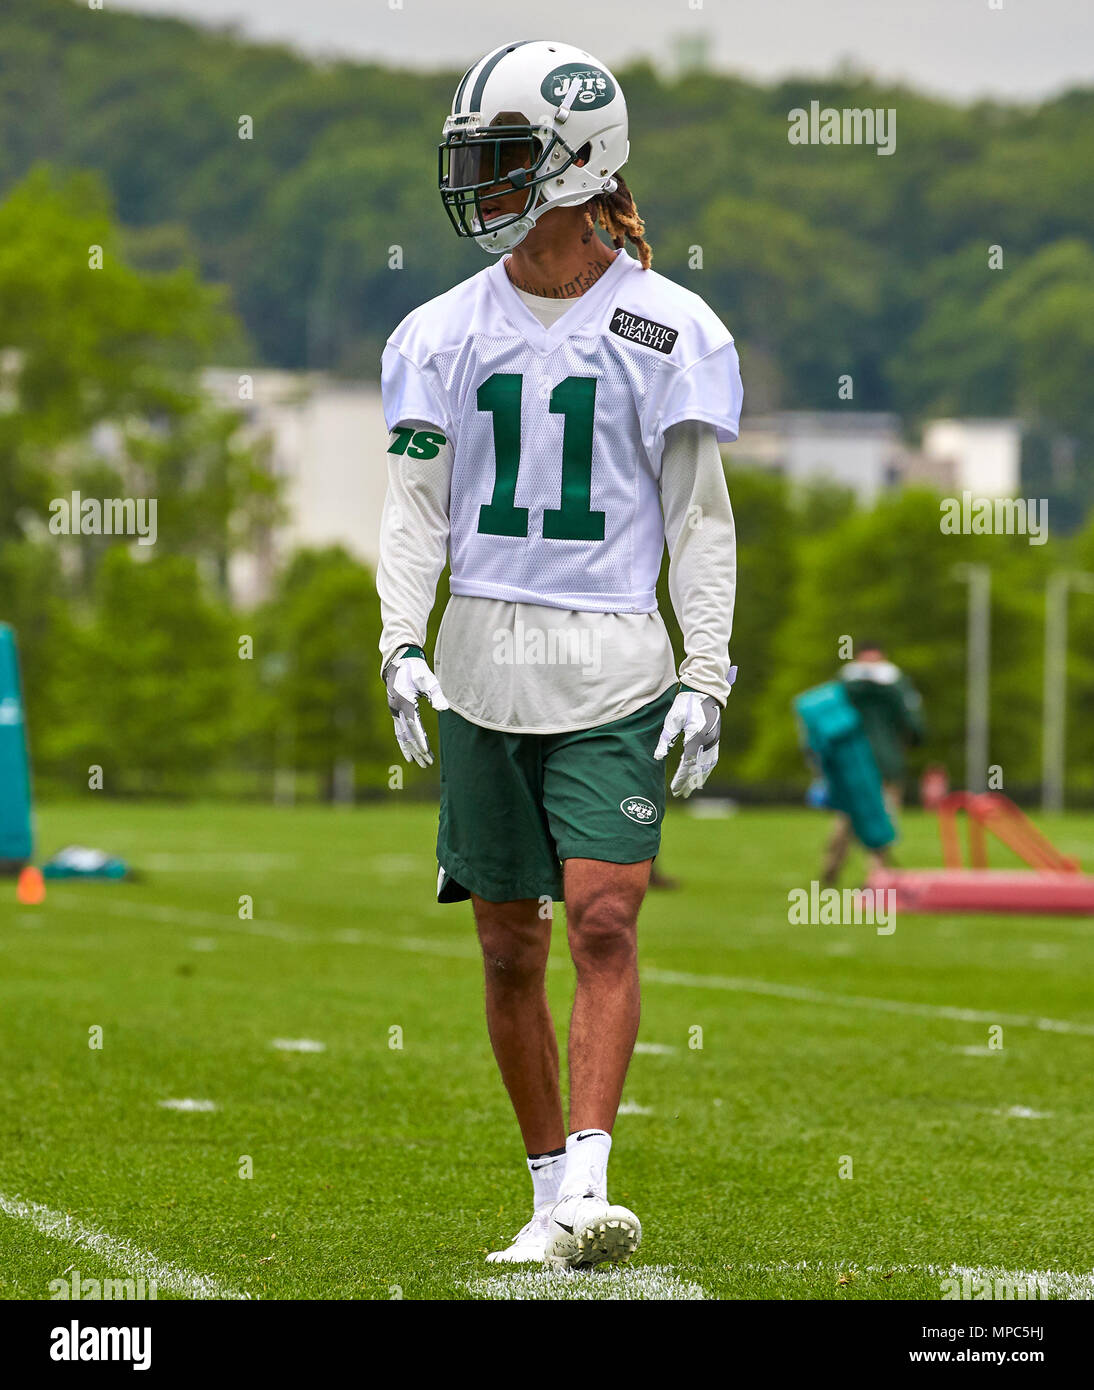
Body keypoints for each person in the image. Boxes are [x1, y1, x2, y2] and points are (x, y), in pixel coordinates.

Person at [377, 40, 741, 1269]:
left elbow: (698, 516)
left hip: (611, 668)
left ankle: (589, 1185)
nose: (480, 185)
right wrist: (397, 641)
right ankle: (543, 1198)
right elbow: (413, 506)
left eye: (504, 159)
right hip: (482, 657)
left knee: (601, 918)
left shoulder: (660, 324)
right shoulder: (436, 332)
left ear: (578, 162)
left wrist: (705, 671)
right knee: (505, 942)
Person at [820, 641, 925, 885]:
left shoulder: (842, 686)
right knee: (882, 819)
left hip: (851, 762)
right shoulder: (898, 686)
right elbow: (916, 727)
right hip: (886, 762)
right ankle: (876, 877)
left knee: (846, 820)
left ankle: (830, 873)